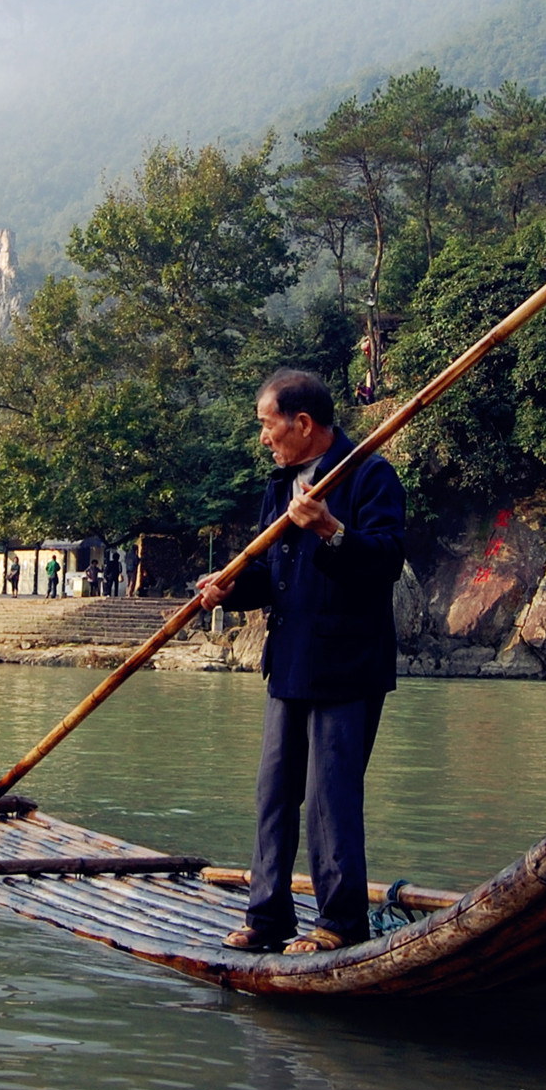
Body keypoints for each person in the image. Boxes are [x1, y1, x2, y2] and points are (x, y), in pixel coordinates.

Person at [197, 369, 404, 955]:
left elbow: (386, 560)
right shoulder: (280, 486)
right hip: (288, 660)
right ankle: (267, 918)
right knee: (274, 793)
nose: (264, 438)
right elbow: (268, 575)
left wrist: (333, 530)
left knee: (332, 797)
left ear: (302, 423)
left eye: (268, 426)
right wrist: (228, 587)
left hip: (347, 665)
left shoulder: (368, 474)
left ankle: (338, 924)